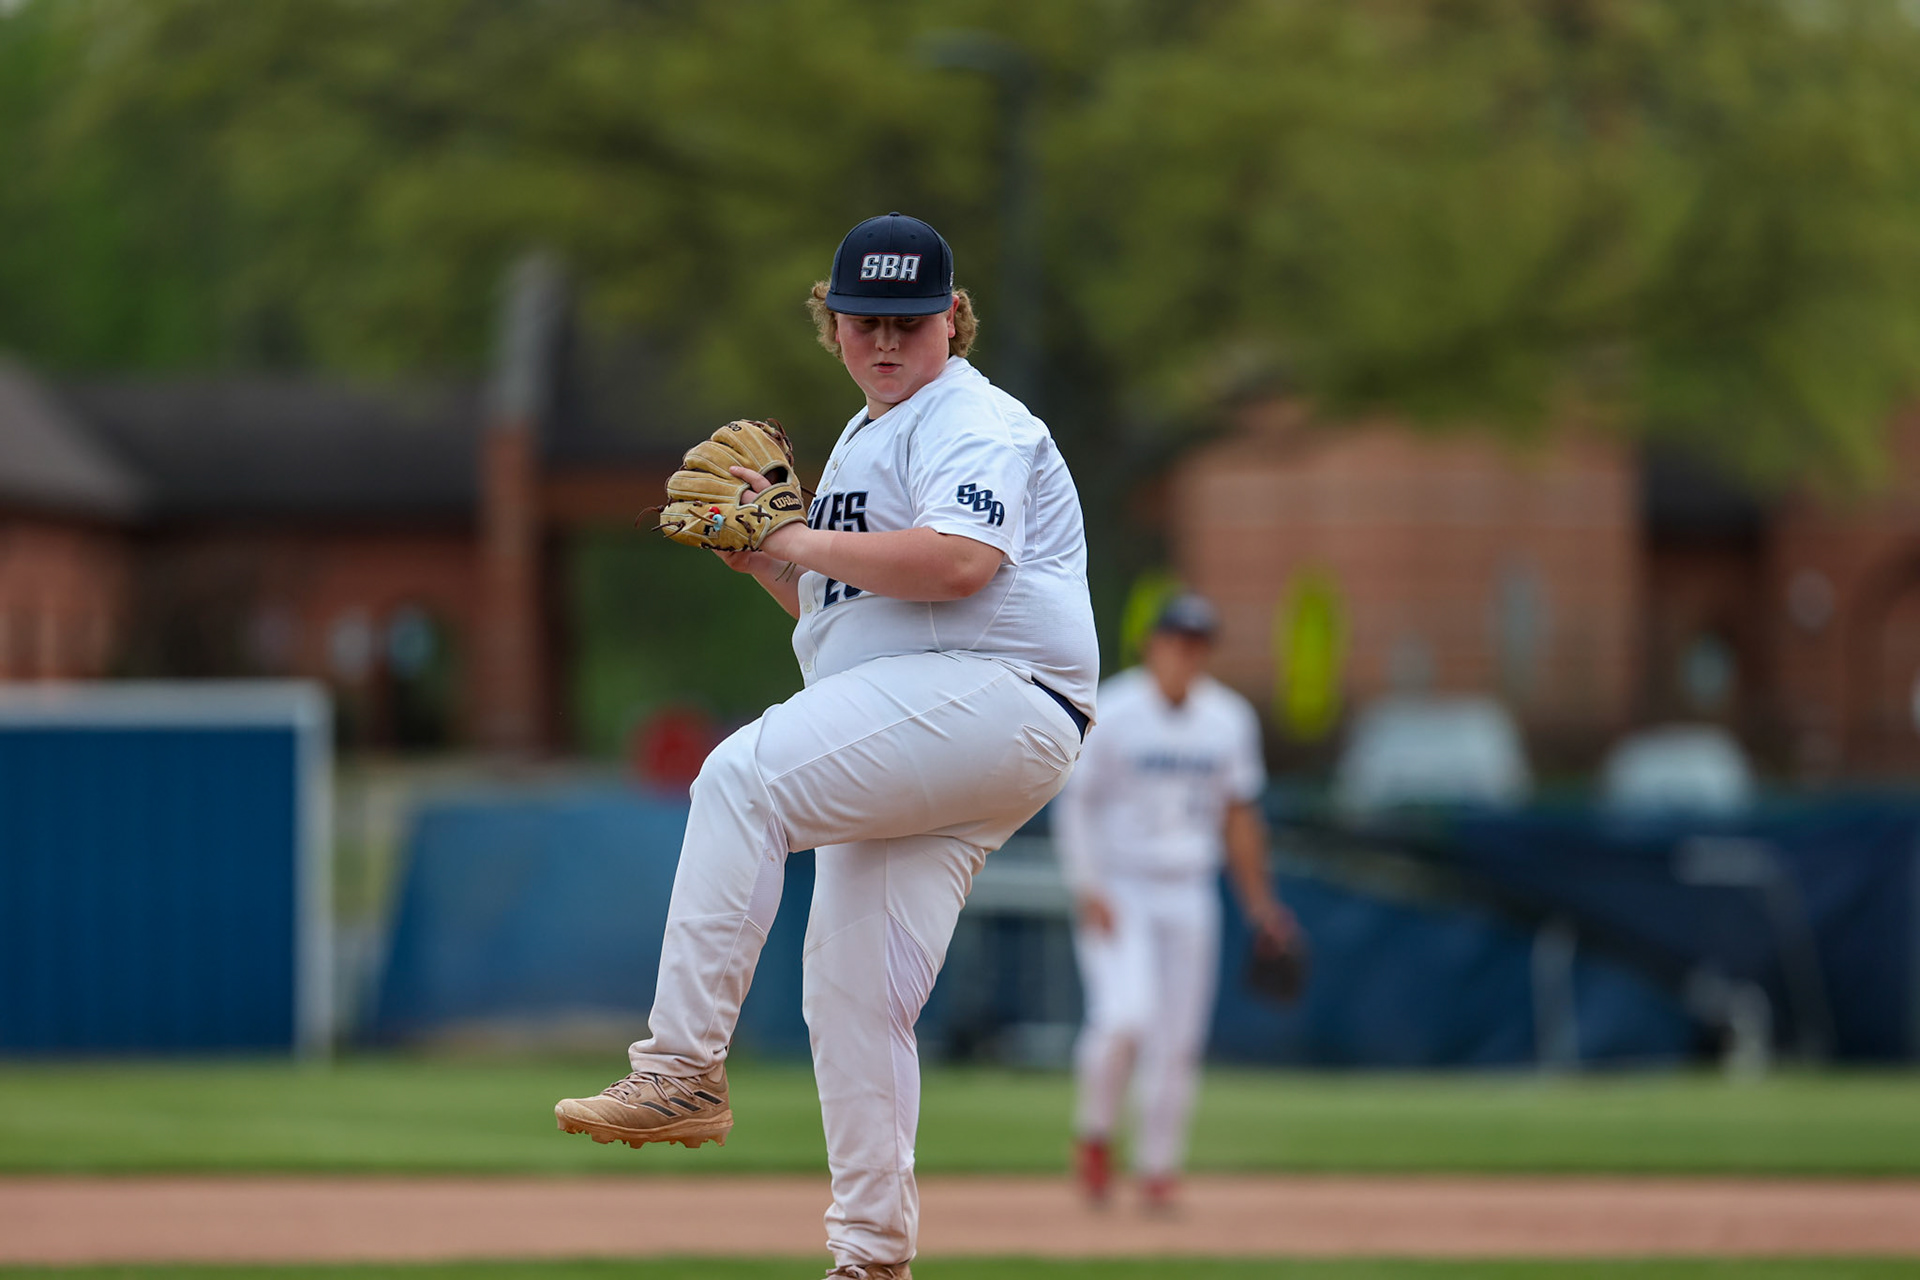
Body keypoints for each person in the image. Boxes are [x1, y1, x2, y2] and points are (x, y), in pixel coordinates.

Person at [555, 212, 1099, 1280]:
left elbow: (958, 566)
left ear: (953, 319)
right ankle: (871, 1255)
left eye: (910, 319)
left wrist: (793, 535)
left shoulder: (972, 418)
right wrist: (768, 563)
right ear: (832, 322)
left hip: (1000, 693)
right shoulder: (863, 437)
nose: (885, 339)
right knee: (852, 991)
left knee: (741, 776)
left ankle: (681, 1067)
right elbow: (844, 619)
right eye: (864, 319)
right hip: (933, 716)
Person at [1053, 593, 1298, 1211]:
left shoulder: (1229, 718)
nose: (1187, 653)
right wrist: (1087, 885)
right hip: (1121, 886)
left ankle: (1158, 1169)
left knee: (1179, 1039)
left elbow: (1239, 817)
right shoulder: (1113, 708)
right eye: (1178, 640)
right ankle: (1095, 1134)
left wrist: (1261, 907)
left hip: (1189, 887)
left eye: (1198, 643)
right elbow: (1076, 803)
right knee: (1124, 1018)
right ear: (1153, 644)